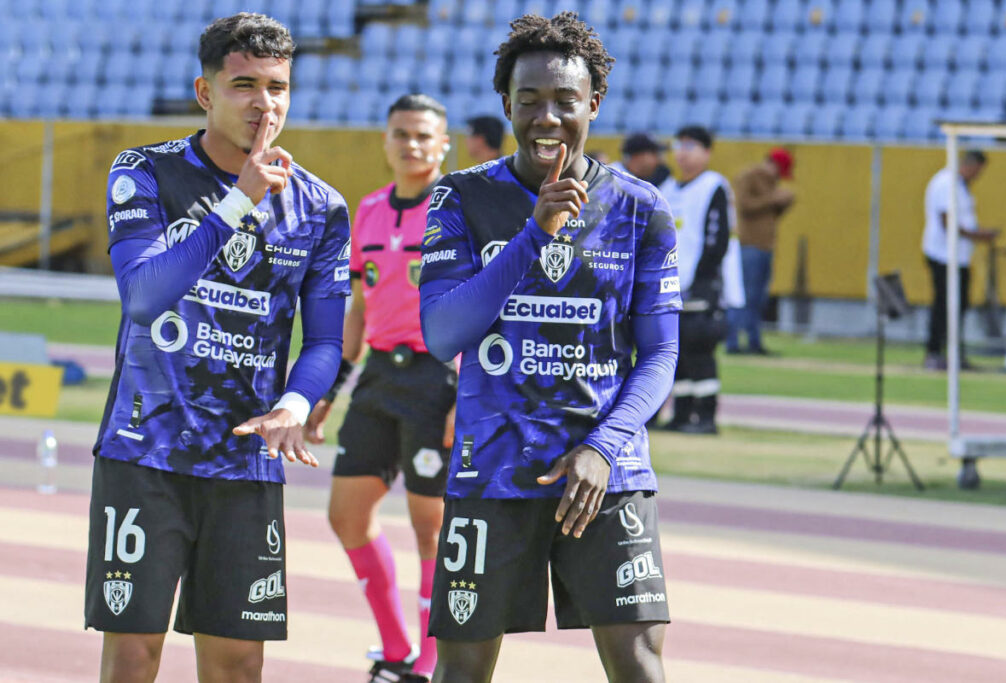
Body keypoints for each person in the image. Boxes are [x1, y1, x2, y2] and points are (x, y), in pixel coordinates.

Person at [84, 13, 350, 683]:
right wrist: (238, 201)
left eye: (278, 87)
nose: (265, 104)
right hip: (144, 453)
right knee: (133, 658)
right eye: (244, 85)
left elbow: (321, 341)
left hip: (244, 463)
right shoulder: (143, 171)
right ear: (205, 93)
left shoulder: (321, 208)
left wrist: (295, 401)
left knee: (237, 665)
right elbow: (144, 297)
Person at [418, 12, 680, 683]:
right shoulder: (461, 198)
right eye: (528, 100)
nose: (547, 118)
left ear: (594, 102)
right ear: (506, 103)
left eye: (565, 101)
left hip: (607, 476)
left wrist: (604, 445)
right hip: (491, 472)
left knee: (640, 666)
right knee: (462, 671)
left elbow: (658, 354)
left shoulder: (641, 208)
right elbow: (444, 332)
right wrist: (534, 235)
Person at [303, 93, 455, 683]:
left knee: (431, 527)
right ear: (385, 140)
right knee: (347, 514)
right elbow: (358, 310)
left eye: (423, 135)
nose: (411, 145)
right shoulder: (366, 210)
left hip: (438, 376)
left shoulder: (458, 209)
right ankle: (395, 652)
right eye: (401, 134)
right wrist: (327, 390)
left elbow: (483, 309)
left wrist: (465, 395)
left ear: (444, 143)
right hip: (379, 377)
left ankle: (431, 662)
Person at [659, 125, 732, 434]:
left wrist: (703, 277)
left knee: (700, 347)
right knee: (679, 352)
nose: (683, 153)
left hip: (700, 284)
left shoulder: (713, 186)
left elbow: (718, 238)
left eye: (691, 146)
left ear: (706, 152)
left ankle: (706, 415)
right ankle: (681, 413)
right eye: (680, 145)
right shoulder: (669, 188)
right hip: (671, 284)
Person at [921, 149, 998, 370]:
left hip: (959, 256)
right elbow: (948, 222)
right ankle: (934, 352)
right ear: (969, 165)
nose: (978, 176)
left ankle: (953, 352)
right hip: (943, 254)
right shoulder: (946, 183)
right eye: (977, 171)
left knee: (960, 305)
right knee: (944, 305)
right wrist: (978, 236)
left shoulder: (961, 186)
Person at [727, 147, 796, 355]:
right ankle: (733, 342)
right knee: (744, 295)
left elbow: (769, 215)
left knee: (758, 298)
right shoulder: (749, 176)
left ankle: (753, 341)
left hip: (765, 245)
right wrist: (775, 199)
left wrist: (783, 203)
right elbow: (744, 205)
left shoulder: (770, 183)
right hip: (749, 245)